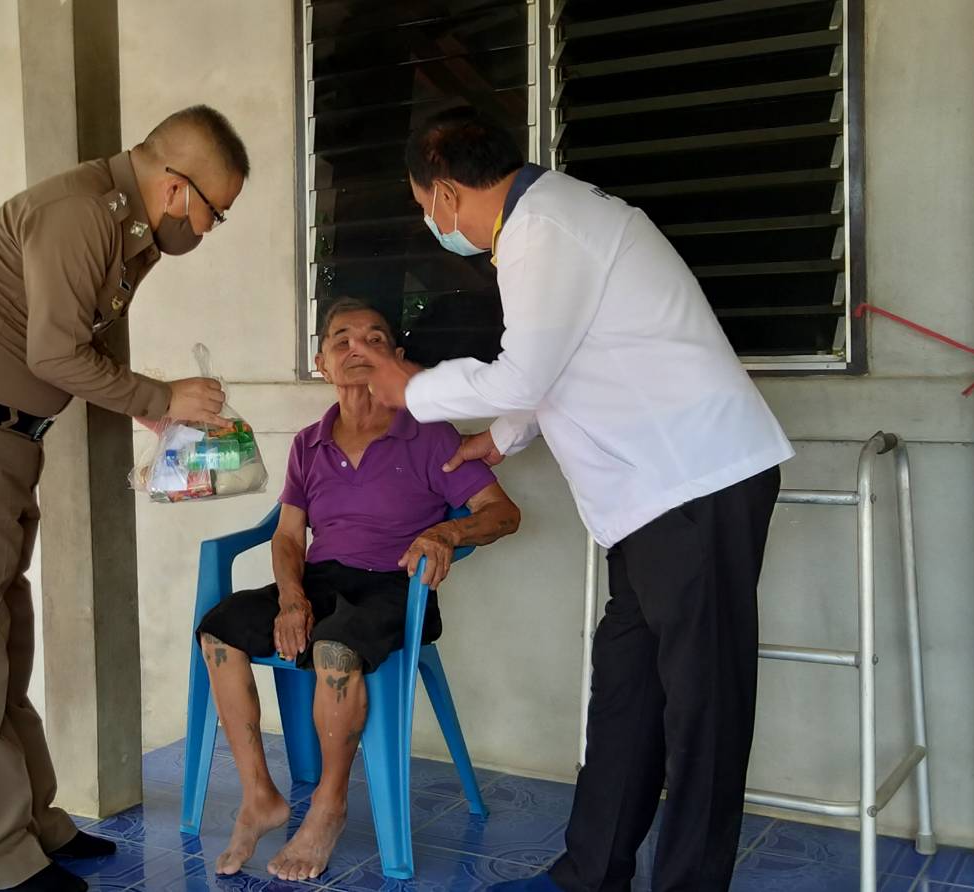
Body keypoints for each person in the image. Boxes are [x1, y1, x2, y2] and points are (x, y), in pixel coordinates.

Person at [364, 107, 794, 892]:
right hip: (655, 501)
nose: (432, 224)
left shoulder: (545, 230)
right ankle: (588, 877)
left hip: (694, 485)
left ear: (447, 194)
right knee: (628, 691)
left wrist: (413, 388)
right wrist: (502, 439)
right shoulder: (545, 221)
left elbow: (524, 373)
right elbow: (555, 364)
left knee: (703, 711)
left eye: (425, 206)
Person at [0, 105, 247, 892]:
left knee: (4, 646)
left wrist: (153, 411)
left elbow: (74, 348)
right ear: (175, 185)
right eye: (213, 211)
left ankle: (34, 823)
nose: (209, 228)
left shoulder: (129, 231)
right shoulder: (81, 214)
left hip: (5, 445)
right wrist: (160, 396)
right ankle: (0, 857)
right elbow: (56, 353)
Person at [196, 299, 521, 882]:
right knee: (219, 631)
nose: (357, 349)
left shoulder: (429, 434)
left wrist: (447, 532)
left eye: (374, 339)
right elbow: (288, 536)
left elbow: (503, 512)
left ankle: (329, 805)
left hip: (395, 586)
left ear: (396, 357)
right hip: (320, 582)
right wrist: (292, 598)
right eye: (341, 340)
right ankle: (259, 796)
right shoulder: (308, 443)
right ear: (322, 362)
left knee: (336, 649)